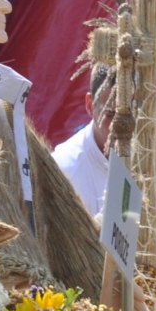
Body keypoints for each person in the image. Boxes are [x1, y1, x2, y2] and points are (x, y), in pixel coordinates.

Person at [51, 65, 115, 217]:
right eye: (110, 114)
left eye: (129, 114)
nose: (120, 126)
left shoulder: (150, 157)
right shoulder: (65, 171)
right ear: (90, 105)